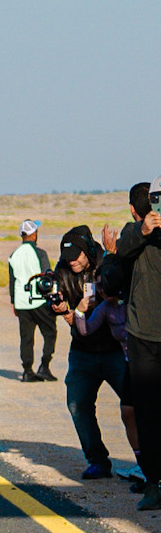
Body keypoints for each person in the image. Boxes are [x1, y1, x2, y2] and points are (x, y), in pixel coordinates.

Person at [50, 225, 128, 481]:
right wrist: (62, 309)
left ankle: (147, 464)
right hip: (82, 350)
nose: (72, 261)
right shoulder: (63, 270)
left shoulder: (106, 263)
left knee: (136, 404)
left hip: (115, 350)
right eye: (67, 257)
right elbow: (65, 311)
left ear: (87, 251)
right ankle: (97, 461)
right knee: (78, 404)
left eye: (76, 256)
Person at [115, 175, 161, 511]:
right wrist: (143, 230)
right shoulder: (138, 231)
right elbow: (121, 249)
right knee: (147, 413)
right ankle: (154, 482)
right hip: (143, 334)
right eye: (156, 199)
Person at [8, 219, 57, 381]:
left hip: (21, 302)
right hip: (39, 300)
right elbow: (47, 278)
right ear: (34, 234)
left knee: (26, 337)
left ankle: (27, 371)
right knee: (50, 333)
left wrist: (13, 301)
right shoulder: (40, 253)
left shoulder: (14, 255)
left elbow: (12, 281)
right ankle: (45, 365)